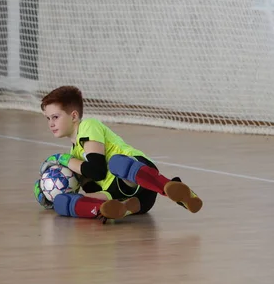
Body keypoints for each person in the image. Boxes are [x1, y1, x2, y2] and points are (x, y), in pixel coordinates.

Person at [33, 86, 202, 223]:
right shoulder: (75, 150)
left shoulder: (88, 126)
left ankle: (167, 186)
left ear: (74, 116)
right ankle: (115, 209)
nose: (51, 123)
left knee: (116, 163)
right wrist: (49, 191)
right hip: (137, 199)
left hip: (139, 175)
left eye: (55, 117)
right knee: (62, 203)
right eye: (48, 119)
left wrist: (62, 159)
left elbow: (97, 170)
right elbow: (92, 182)